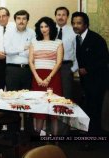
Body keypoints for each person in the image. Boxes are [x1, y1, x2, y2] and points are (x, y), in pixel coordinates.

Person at [72, 12, 109, 144]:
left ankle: (93, 140)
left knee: (95, 110)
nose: (76, 25)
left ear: (86, 24)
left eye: (79, 23)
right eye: (74, 23)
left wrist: (87, 69)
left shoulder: (96, 39)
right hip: (86, 82)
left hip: (98, 81)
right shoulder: (77, 38)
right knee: (88, 109)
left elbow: (104, 59)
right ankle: (90, 137)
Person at [29, 17, 64, 136]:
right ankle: (37, 139)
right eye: (41, 27)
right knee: (39, 109)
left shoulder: (58, 42)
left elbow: (59, 63)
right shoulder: (34, 42)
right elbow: (31, 62)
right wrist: (38, 78)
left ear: (51, 27)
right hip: (37, 78)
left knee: (54, 110)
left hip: (53, 77)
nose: (44, 29)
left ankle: (56, 141)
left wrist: (48, 78)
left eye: (46, 26)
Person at [4, 10, 35, 137]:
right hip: (12, 70)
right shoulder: (9, 32)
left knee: (27, 100)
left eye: (24, 18)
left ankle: (28, 131)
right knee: (13, 100)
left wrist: (16, 51)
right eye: (18, 18)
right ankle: (12, 131)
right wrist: (23, 48)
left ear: (27, 20)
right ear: (15, 20)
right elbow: (7, 50)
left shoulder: (32, 32)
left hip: (27, 70)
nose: (21, 21)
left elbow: (32, 52)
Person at [54, 6, 78, 135]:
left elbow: (77, 53)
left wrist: (72, 69)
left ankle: (64, 132)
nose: (61, 17)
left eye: (63, 14)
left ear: (67, 17)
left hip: (66, 67)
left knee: (66, 98)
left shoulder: (73, 32)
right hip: (52, 68)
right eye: (58, 14)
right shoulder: (51, 30)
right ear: (55, 16)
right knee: (53, 97)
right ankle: (53, 130)